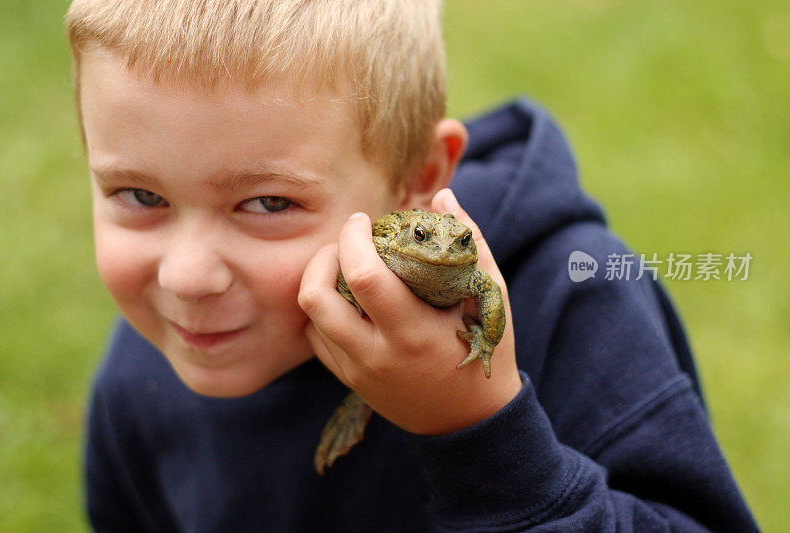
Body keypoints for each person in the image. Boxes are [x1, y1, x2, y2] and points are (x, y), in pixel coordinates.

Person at [66, 0, 758, 531]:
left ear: (418, 179)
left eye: (268, 201)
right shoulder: (143, 367)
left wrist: (481, 432)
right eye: (140, 194)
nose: (187, 277)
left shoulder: (575, 297)